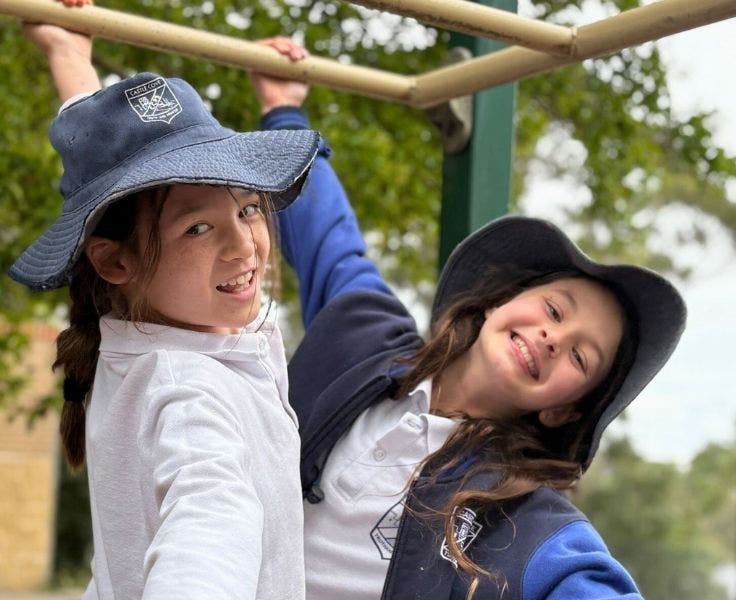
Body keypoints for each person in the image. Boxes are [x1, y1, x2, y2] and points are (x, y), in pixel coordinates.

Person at [251, 40, 687, 599]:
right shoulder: (365, 336)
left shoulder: (523, 517)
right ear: (497, 301)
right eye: (554, 310)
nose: (553, 338)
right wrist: (284, 107)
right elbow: (330, 240)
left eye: (581, 356)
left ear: (562, 409)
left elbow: (583, 581)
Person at [12, 7, 320, 599]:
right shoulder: (189, 394)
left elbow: (98, 146)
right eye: (197, 229)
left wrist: (68, 53)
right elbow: (208, 530)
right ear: (113, 261)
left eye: (248, 207)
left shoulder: (136, 344)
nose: (242, 244)